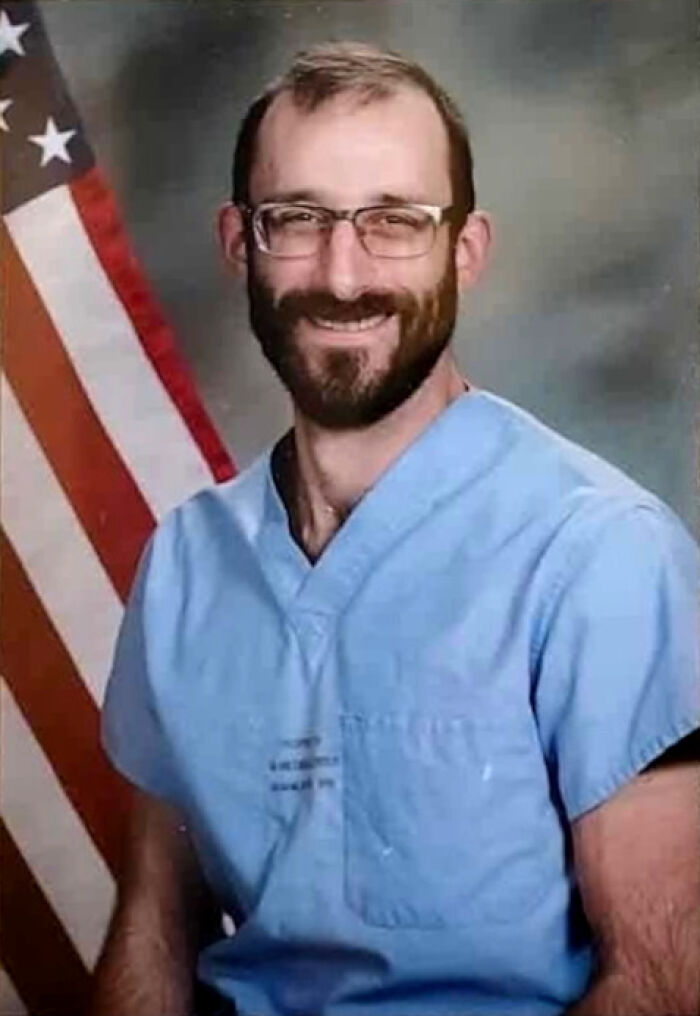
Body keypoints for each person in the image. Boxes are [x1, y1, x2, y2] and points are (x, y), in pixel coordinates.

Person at [90, 42, 700, 1016]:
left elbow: (665, 982)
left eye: (394, 222)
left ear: (465, 249)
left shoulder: (599, 554)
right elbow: (155, 928)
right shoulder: (185, 566)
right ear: (238, 239)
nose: (342, 273)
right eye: (296, 219)